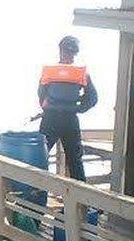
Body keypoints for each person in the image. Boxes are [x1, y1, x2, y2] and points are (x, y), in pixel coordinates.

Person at [33, 35, 98, 181]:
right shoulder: (81, 73)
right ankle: (81, 201)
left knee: (42, 156)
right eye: (69, 51)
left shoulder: (51, 72)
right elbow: (92, 98)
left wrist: (52, 106)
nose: (68, 54)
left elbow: (41, 94)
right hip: (66, 120)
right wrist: (77, 106)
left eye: (69, 51)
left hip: (53, 119)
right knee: (73, 161)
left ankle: (36, 193)